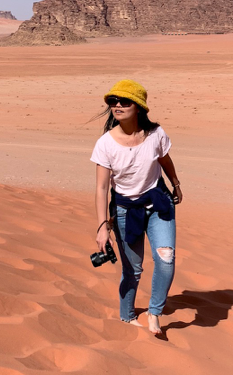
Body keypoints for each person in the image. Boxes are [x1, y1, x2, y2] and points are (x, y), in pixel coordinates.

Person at [90, 79, 183, 335]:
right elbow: (100, 188)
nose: (117, 105)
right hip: (124, 211)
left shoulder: (155, 134)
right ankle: (127, 315)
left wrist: (175, 183)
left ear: (139, 106)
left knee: (166, 258)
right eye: (113, 101)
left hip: (157, 203)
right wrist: (101, 227)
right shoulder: (105, 144)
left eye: (124, 101)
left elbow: (164, 159)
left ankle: (155, 312)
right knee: (133, 269)